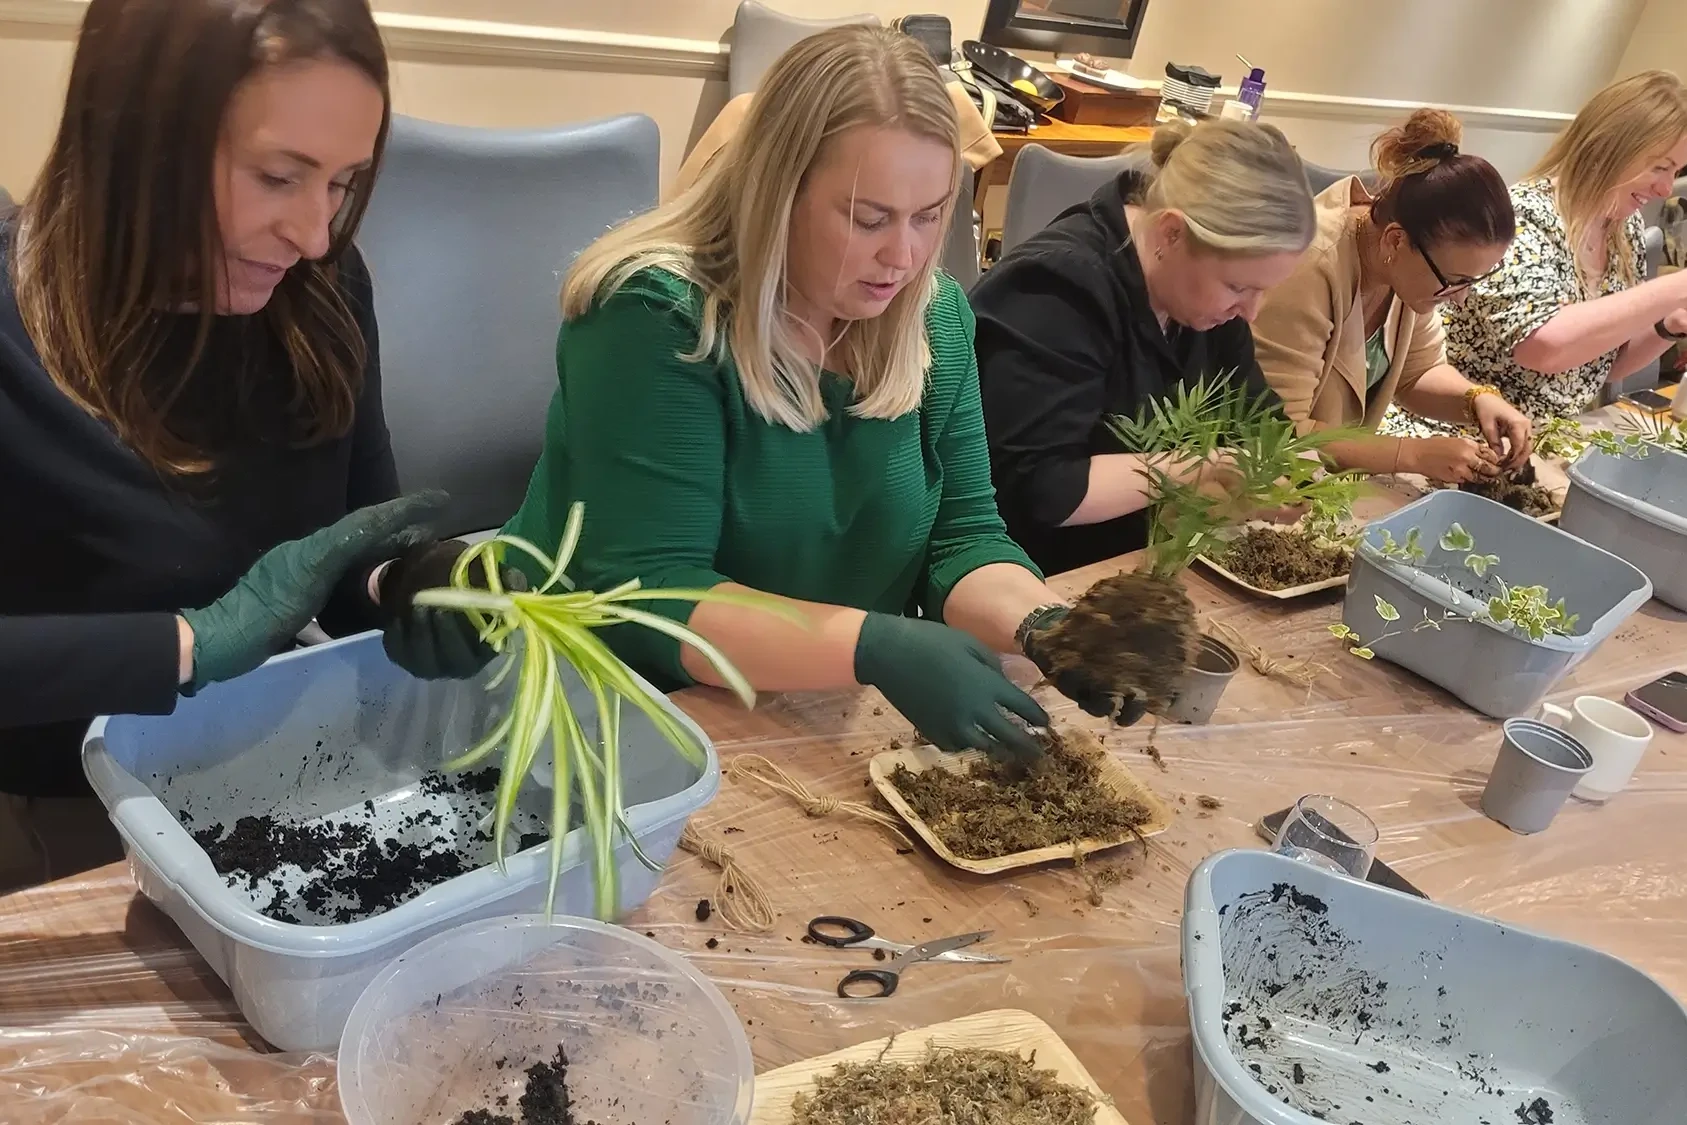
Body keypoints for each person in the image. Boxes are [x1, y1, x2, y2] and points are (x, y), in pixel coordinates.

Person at [381, 26, 1158, 759]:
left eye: (929, 216)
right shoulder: (653, 319)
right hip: (617, 698)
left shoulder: (933, 317)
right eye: (868, 217)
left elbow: (964, 537)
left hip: (802, 698)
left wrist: (1042, 626)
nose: (904, 253)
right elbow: (650, 597)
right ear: (774, 191)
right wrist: (873, 644)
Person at [0, 0, 420, 878]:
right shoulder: (15, 329)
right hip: (72, 812)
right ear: (136, 143)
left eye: (343, 183)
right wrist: (187, 644)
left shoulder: (321, 291)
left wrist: (418, 585)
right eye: (278, 176)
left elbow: (351, 552)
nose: (313, 234)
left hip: (289, 773)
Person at [970, 119, 1316, 577]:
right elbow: (1043, 490)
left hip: (1136, 563)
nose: (1251, 312)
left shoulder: (1205, 306)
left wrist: (1296, 468)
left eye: (1265, 290)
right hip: (1029, 574)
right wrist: (1201, 466)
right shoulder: (1056, 288)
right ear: (1172, 234)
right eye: (1238, 286)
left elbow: (1258, 420)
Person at [1384, 71, 1687, 435]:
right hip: (1450, 435)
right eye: (1660, 167)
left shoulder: (1625, 231)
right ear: (1610, 147)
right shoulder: (1522, 216)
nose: (1666, 188)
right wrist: (1676, 287)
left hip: (1543, 438)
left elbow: (1605, 365)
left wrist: (1667, 326)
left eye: (1677, 171)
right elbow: (1542, 346)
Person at [1251, 110, 1534, 482]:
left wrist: (1478, 398)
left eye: (1471, 281)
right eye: (1454, 280)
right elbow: (1277, 431)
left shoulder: (1403, 269)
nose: (1461, 298)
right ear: (1396, 240)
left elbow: (1419, 372)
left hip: (1323, 484)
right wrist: (1410, 454)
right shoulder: (1307, 266)